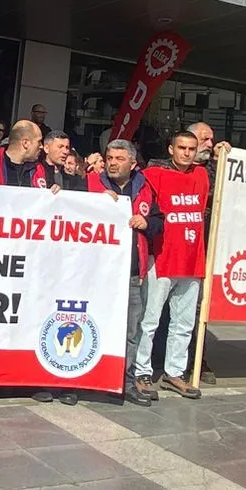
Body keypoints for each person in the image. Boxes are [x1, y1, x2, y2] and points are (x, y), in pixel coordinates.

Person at [133, 131, 219, 401]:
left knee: (183, 322)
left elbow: (223, 182)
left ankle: (174, 372)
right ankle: (141, 370)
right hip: (163, 256)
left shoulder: (202, 175)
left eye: (191, 148)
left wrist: (220, 154)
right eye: (181, 147)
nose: (186, 153)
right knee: (150, 320)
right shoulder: (155, 174)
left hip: (192, 258)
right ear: (171, 149)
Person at [88, 138, 155, 404]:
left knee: (130, 332)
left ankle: (124, 383)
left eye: (119, 159)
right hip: (95, 275)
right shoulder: (90, 182)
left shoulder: (146, 188)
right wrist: (94, 203)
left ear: (133, 163)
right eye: (110, 158)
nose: (113, 163)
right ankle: (84, 381)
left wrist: (146, 223)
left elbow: (159, 222)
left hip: (130, 274)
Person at [0, 121, 51, 187]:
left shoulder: (38, 168)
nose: (41, 146)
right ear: (25, 143)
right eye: (39, 141)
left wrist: (54, 193)